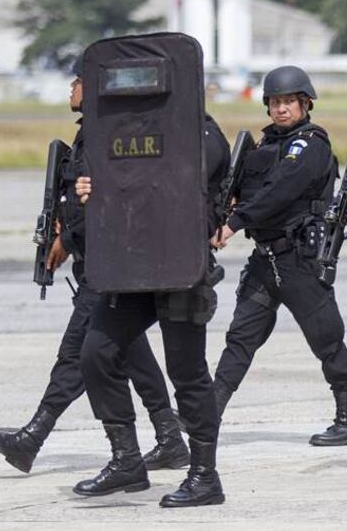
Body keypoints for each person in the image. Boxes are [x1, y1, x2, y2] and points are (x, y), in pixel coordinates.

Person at [0, 55, 187, 475]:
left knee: (76, 355)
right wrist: (60, 226)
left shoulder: (107, 136)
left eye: (76, 80)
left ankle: (31, 439)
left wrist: (66, 241)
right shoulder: (90, 135)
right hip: (102, 266)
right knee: (130, 353)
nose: (70, 88)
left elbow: (109, 203)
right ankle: (169, 439)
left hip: (108, 268)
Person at [74, 115, 231, 507]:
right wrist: (91, 189)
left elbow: (168, 181)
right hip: (135, 265)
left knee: (187, 374)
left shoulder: (205, 136)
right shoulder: (131, 135)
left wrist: (114, 180)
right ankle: (126, 459)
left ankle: (204, 475)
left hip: (181, 267)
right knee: (97, 352)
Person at [211, 66, 347, 447]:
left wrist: (235, 221)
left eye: (288, 102)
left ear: (305, 103)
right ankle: (207, 416)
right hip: (266, 260)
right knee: (241, 337)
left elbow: (281, 191)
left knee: (326, 338)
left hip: (299, 259)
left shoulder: (310, 146)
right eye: (275, 102)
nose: (281, 109)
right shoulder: (264, 148)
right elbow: (247, 189)